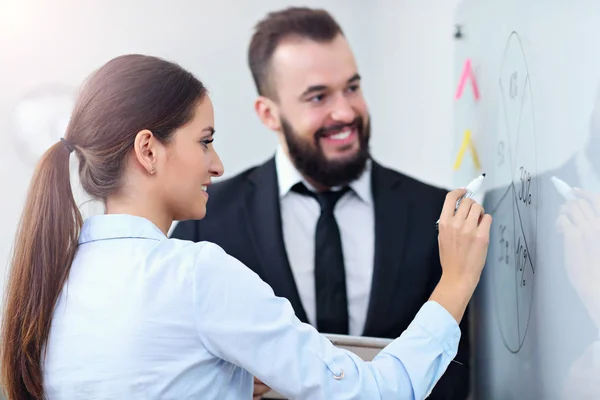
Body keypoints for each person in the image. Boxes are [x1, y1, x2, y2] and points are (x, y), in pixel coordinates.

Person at [0, 54, 491, 400]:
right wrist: (456, 282)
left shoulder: (56, 278)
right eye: (205, 141)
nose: (217, 165)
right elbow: (376, 393)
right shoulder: (195, 275)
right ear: (148, 150)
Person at [170, 7, 472, 399]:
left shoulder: (434, 215)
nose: (345, 112)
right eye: (318, 97)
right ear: (269, 114)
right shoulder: (207, 220)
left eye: (352, 88)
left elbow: (456, 372)